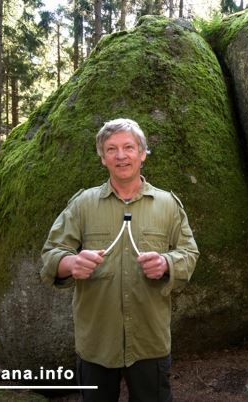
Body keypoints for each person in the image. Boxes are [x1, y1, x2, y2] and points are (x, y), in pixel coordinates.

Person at [40, 118, 199, 402]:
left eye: (129, 147)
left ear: (142, 153)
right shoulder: (83, 204)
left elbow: (189, 254)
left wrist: (166, 264)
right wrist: (72, 263)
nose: (121, 155)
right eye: (111, 149)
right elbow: (51, 253)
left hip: (149, 341)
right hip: (97, 343)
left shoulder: (168, 205)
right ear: (102, 158)